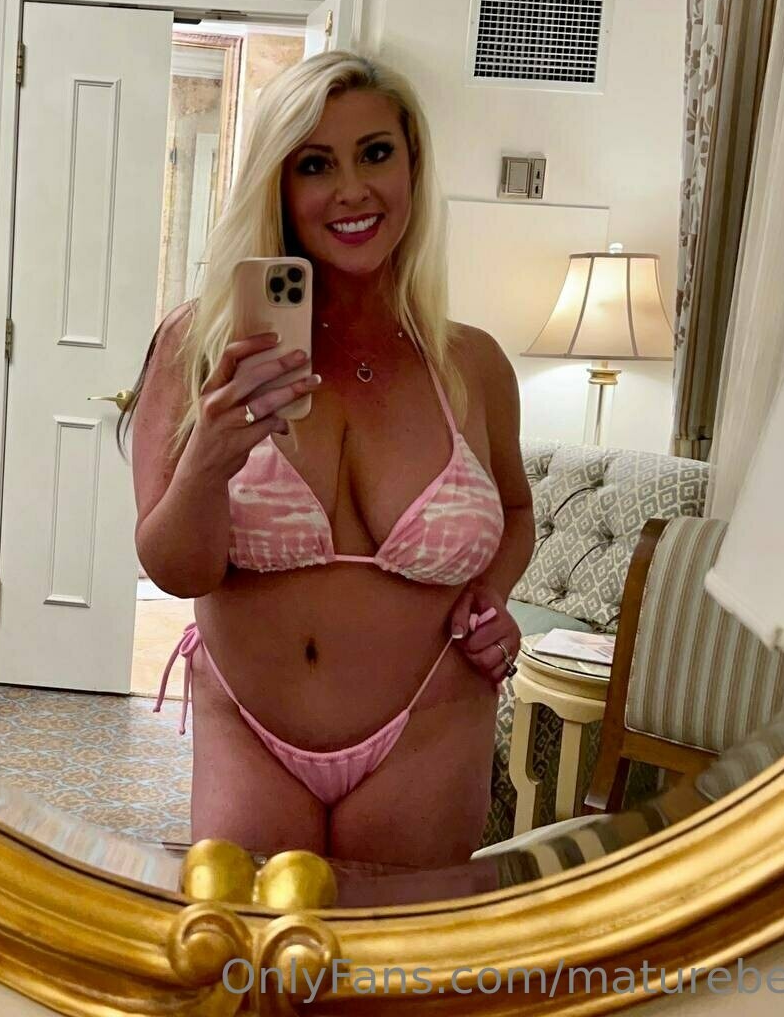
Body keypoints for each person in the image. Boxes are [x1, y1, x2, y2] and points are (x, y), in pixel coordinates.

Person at [124, 51, 534, 867]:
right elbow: (174, 570)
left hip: (433, 724)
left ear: (412, 166)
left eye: (375, 154)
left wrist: (490, 597)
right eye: (315, 164)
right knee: (250, 944)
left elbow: (516, 509)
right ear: (278, 185)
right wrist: (208, 459)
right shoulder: (198, 347)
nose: (351, 190)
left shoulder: (472, 363)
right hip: (250, 732)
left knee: (399, 947)